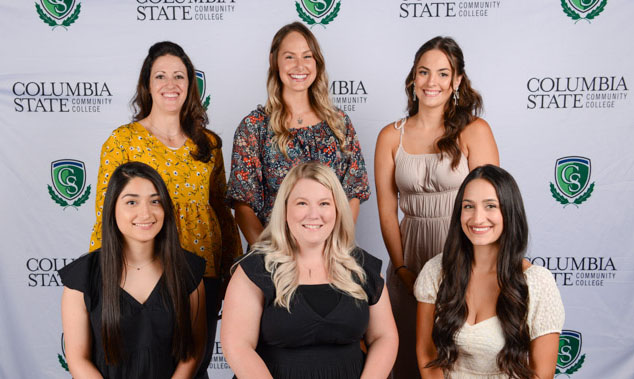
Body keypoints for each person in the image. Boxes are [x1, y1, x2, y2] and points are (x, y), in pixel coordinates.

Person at [88, 41, 241, 378]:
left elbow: (221, 211)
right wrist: (101, 273)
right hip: (142, 271)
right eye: (161, 76)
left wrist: (233, 267)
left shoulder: (209, 143)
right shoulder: (123, 141)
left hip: (202, 271)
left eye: (179, 76)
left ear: (191, 85)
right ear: (147, 84)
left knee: (193, 364)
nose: (170, 84)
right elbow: (105, 212)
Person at [374, 36, 499, 378]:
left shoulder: (475, 131)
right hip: (409, 254)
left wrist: (474, 267)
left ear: (457, 81)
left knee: (460, 355)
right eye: (424, 72)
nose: (432, 82)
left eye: (443, 74)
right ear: (413, 78)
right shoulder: (390, 136)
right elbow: (387, 210)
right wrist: (401, 269)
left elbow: (491, 206)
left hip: (464, 254)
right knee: (409, 358)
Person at [221, 162, 398, 378]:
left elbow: (384, 336)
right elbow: (237, 346)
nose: (314, 214)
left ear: (337, 210)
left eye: (324, 203)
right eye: (302, 203)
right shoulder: (255, 269)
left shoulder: (363, 267)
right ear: (285, 209)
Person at [415, 165, 565, 378]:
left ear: (509, 211)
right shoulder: (436, 270)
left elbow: (541, 374)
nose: (477, 219)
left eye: (490, 206)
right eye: (468, 206)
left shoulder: (538, 282)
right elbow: (426, 352)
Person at [227, 22, 370, 246]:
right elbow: (243, 205)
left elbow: (352, 193)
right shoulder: (253, 127)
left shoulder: (339, 124)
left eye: (307, 56)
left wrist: (336, 247)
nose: (299, 66)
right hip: (275, 255)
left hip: (330, 253)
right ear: (274, 61)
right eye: (290, 57)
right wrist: (269, 258)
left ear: (317, 62)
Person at [60, 162, 206, 378]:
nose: (145, 213)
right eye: (131, 202)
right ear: (112, 208)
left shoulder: (188, 271)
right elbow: (77, 358)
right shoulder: (82, 277)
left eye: (155, 201)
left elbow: (193, 350)